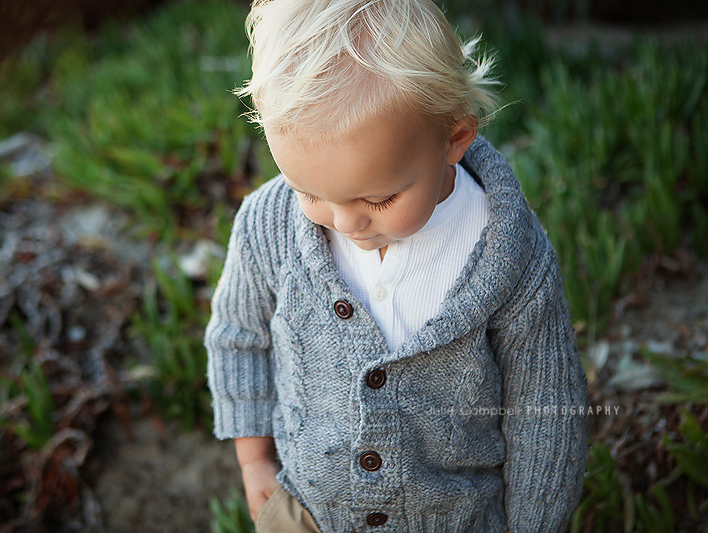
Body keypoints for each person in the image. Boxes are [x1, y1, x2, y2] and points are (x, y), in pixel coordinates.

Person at [205, 0, 589, 532]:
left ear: (453, 138)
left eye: (380, 199)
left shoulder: (508, 257)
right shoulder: (268, 227)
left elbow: (544, 412)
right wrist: (254, 461)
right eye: (308, 192)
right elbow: (237, 336)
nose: (344, 223)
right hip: (309, 510)